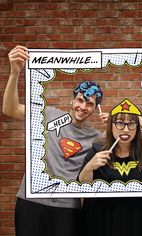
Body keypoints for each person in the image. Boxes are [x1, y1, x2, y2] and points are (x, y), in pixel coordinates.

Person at [3, 45, 108, 236]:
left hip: (67, 206)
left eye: (90, 103)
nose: (83, 106)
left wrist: (114, 124)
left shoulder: (97, 137)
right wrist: (14, 72)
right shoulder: (48, 114)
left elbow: (128, 143)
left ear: (95, 109)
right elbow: (10, 109)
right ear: (72, 100)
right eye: (80, 100)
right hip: (31, 200)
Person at [78, 98, 142, 236]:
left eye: (131, 124)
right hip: (104, 220)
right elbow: (82, 184)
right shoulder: (98, 149)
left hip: (139, 219)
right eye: (119, 123)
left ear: (137, 127)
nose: (125, 129)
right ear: (111, 125)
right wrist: (90, 166)